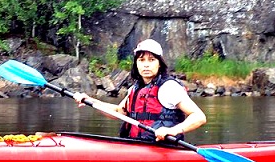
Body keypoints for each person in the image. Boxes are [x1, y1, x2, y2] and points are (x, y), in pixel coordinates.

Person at [74, 38, 206, 142]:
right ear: (136, 63)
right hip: (136, 144)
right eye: (141, 60)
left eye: (152, 60)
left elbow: (199, 117)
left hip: (163, 147)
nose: (146, 64)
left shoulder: (169, 87)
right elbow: (119, 112)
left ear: (159, 63)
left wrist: (172, 130)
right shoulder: (135, 88)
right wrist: (90, 101)